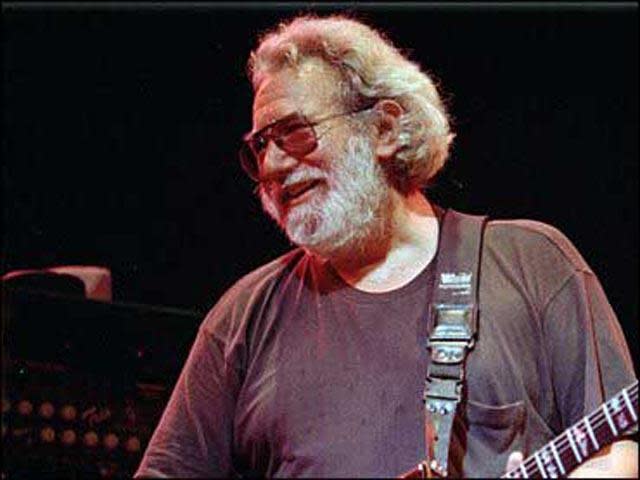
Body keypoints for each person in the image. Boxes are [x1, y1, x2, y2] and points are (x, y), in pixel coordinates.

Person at [135, 15, 637, 478]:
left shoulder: (531, 263)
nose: (272, 166)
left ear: (385, 127)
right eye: (260, 146)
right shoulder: (243, 316)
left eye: (293, 133)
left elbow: (620, 452)